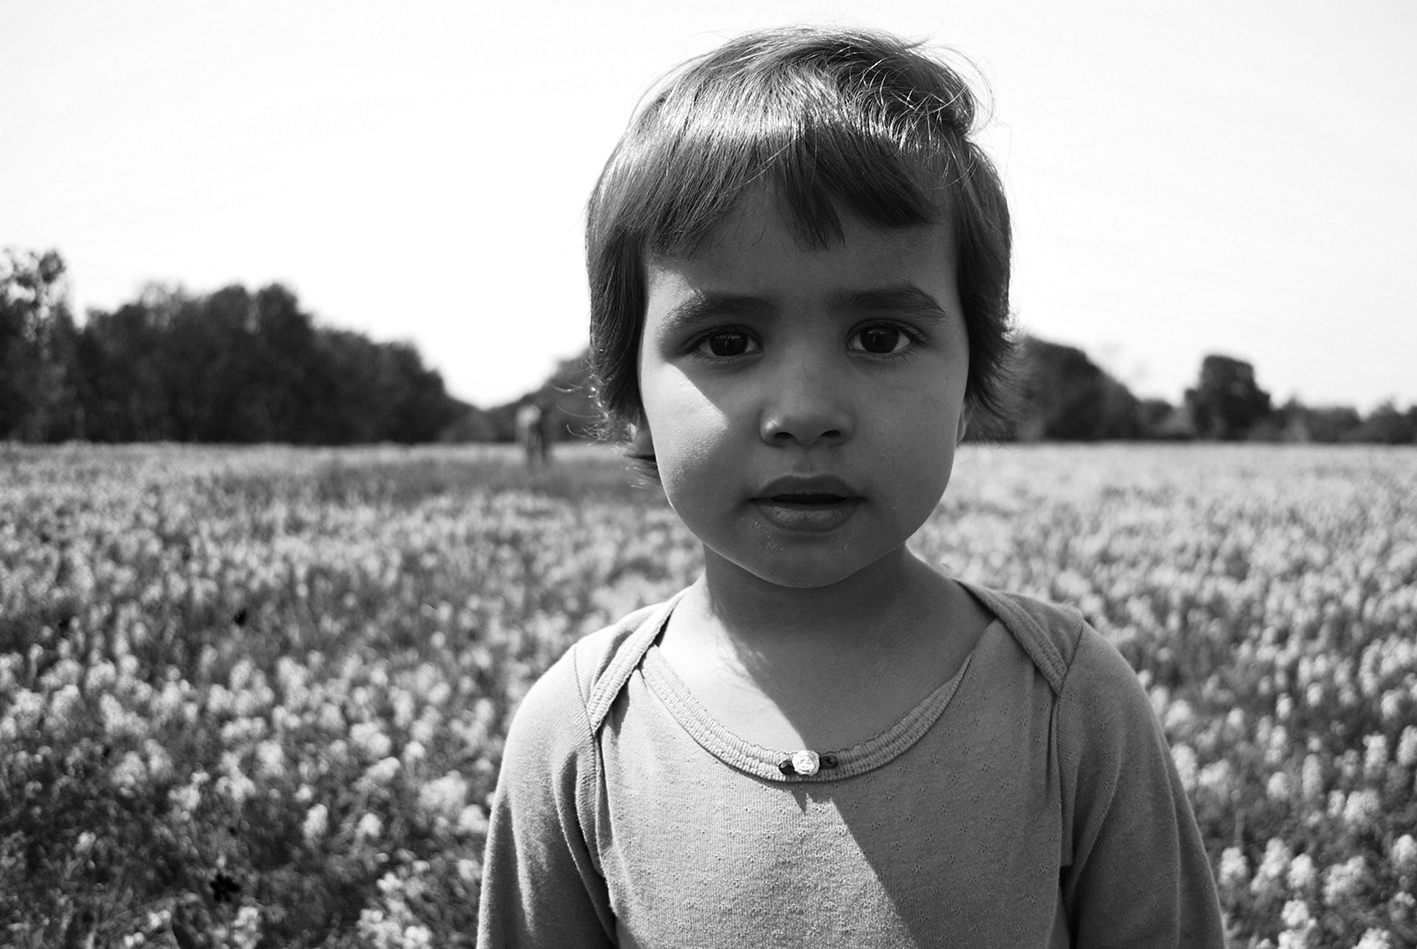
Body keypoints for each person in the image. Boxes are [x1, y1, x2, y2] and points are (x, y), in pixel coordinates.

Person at [477, 26, 1224, 947]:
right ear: (625, 394)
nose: (805, 410)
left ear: (971, 381)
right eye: (726, 341)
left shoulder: (1072, 704)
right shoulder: (578, 733)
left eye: (878, 337)